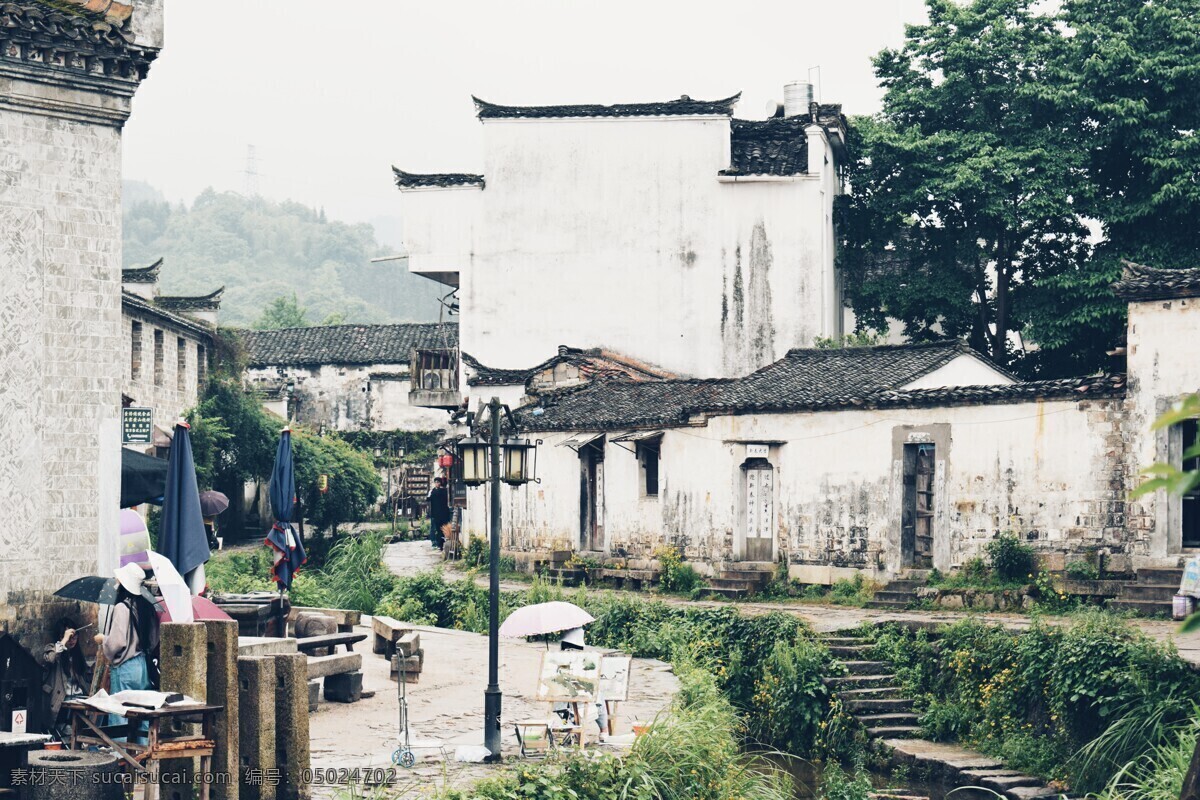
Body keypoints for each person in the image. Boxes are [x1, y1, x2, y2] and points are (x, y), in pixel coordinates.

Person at [100, 563, 160, 742]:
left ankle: (119, 759)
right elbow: (154, 639)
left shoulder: (122, 607)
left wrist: (104, 642)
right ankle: (142, 760)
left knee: (119, 714)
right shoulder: (146, 607)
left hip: (125, 667)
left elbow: (116, 642)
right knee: (141, 713)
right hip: (143, 665)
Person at [42, 618, 92, 740]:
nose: (72, 640)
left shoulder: (77, 655)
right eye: (69, 637)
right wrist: (63, 641)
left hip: (79, 698)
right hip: (61, 700)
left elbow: (86, 678)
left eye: (75, 637)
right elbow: (50, 659)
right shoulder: (52, 649)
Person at [555, 627, 607, 738]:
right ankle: (604, 730)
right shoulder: (587, 659)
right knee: (599, 694)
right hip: (584, 703)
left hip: (562, 706)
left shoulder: (556, 659)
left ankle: (569, 727)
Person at [427, 476, 451, 550]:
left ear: (440, 483)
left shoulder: (443, 491)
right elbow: (428, 499)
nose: (437, 483)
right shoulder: (432, 491)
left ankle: (442, 543)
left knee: (443, 528)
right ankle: (438, 544)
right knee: (437, 529)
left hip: (443, 513)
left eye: (438, 482)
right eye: (435, 482)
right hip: (435, 513)